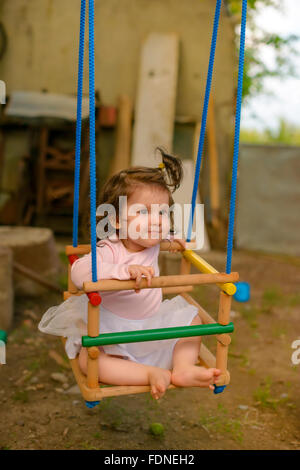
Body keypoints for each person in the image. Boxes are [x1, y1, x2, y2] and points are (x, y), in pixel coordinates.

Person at [39, 148, 221, 399]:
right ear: (115, 220)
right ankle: (149, 373)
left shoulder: (153, 241)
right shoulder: (109, 248)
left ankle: (184, 368)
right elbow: (79, 272)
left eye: (162, 213)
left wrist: (171, 238)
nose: (156, 220)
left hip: (150, 322)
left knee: (192, 320)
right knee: (88, 359)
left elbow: (156, 232)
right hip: (112, 327)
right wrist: (122, 271)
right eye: (144, 212)